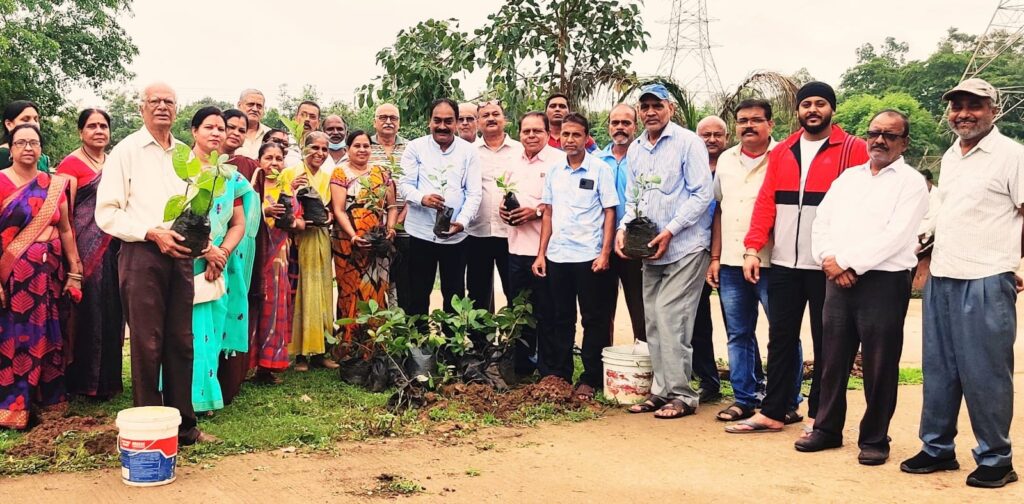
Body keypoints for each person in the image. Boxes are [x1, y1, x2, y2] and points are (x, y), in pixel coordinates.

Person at [901, 78, 1024, 489]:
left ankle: (996, 458)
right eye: (957, 106)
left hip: (988, 276)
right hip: (944, 276)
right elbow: (946, 213)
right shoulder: (953, 155)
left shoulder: (1012, 155)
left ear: (994, 109)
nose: (963, 113)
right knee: (940, 370)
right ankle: (937, 449)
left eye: (974, 105)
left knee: (986, 373)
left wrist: (1017, 265)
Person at [728, 81, 869, 434]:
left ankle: (820, 415)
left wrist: (849, 258)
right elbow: (766, 204)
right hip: (784, 264)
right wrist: (752, 248)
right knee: (781, 339)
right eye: (806, 104)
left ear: (832, 109)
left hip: (828, 266)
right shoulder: (783, 151)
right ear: (797, 111)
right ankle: (773, 411)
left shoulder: (854, 149)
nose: (813, 110)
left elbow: (867, 208)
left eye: (820, 103)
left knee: (829, 343)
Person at [796, 110, 928, 466]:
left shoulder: (911, 182)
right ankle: (826, 429)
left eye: (890, 135)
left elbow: (897, 234)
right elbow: (821, 221)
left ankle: (874, 437)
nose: (880, 140)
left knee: (879, 363)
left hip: (883, 282)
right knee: (832, 359)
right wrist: (828, 259)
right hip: (837, 280)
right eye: (874, 133)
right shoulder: (849, 178)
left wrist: (848, 263)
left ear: (904, 142)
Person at [95, 83, 212, 444]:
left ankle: (185, 427)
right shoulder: (126, 151)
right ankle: (149, 428)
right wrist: (150, 232)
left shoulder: (183, 155)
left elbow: (193, 203)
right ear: (142, 108)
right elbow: (107, 213)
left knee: (181, 340)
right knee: (146, 343)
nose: (162, 107)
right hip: (141, 253)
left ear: (177, 109)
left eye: (169, 102)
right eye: (155, 101)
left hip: (179, 255)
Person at [616, 84, 712, 419]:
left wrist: (671, 231)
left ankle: (682, 395)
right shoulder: (637, 148)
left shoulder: (688, 142)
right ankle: (661, 391)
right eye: (645, 107)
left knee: (673, 319)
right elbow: (633, 198)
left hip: (685, 247)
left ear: (670, 108)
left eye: (657, 105)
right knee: (653, 321)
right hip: (650, 249)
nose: (650, 112)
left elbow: (703, 195)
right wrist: (623, 228)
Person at [0, 124, 82, 430]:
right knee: (17, 337)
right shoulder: (1, 182)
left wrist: (74, 270)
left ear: (41, 148)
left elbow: (66, 229)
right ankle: (16, 407)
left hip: (52, 273)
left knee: (52, 332)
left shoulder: (53, 184)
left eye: (34, 142)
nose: (28, 148)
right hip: (15, 274)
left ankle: (51, 401)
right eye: (20, 143)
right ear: (10, 148)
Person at [706, 99, 783, 422]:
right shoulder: (725, 159)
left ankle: (786, 399)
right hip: (732, 263)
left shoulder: (785, 157)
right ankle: (744, 398)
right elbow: (719, 210)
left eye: (755, 120)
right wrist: (715, 257)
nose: (748, 126)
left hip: (776, 262)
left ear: (771, 124)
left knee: (782, 333)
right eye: (742, 121)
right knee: (738, 333)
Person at [533, 113, 618, 401]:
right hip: (558, 256)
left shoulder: (600, 170)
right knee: (561, 318)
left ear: (586, 138)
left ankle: (590, 378)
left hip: (589, 257)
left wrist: (605, 253)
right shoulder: (555, 171)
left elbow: (610, 211)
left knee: (593, 320)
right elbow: (549, 213)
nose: (570, 140)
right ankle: (561, 374)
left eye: (576, 135)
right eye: (566, 135)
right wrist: (541, 254)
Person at [186, 107, 258, 414]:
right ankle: (182, 395)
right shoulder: (179, 171)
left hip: (221, 265)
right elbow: (174, 218)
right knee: (186, 331)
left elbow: (239, 223)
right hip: (185, 260)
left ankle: (206, 396)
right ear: (194, 131)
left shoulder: (233, 177)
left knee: (212, 331)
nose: (216, 133)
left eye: (220, 128)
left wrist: (223, 252)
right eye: (209, 127)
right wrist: (207, 250)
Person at [56, 108, 124, 399]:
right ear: (80, 132)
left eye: (103, 126)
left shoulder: (114, 163)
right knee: (86, 313)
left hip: (115, 246)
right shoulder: (70, 165)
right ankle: (82, 383)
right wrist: (73, 260)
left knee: (113, 310)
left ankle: (107, 383)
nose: (99, 131)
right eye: (92, 126)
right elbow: (64, 215)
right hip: (83, 248)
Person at [398, 98, 481, 329]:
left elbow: (474, 193)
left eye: (448, 121)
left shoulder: (468, 152)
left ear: (456, 123)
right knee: (418, 292)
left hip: (455, 235)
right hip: (420, 233)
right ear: (429, 122)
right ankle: (418, 346)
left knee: (453, 294)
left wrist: (462, 222)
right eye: (437, 121)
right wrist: (421, 198)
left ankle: (450, 351)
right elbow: (404, 185)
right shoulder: (415, 147)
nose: (442, 126)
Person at [501, 112, 563, 379]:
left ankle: (549, 370)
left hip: (547, 251)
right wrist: (504, 211)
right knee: (520, 311)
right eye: (526, 131)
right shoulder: (511, 162)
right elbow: (503, 196)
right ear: (519, 133)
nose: (531, 136)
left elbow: (565, 202)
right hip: (516, 249)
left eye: (537, 131)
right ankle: (523, 368)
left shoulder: (559, 162)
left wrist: (536, 212)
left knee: (548, 312)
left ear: (548, 132)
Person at [330, 130, 397, 365]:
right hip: (348, 244)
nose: (362, 150)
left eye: (366, 145)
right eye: (356, 145)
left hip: (376, 242)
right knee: (349, 292)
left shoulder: (381, 173)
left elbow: (391, 206)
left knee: (376, 290)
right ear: (348, 149)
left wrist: (390, 228)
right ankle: (348, 346)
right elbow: (338, 209)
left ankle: (373, 346)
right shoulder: (340, 173)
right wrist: (353, 235)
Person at [279, 131, 339, 371]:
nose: (320, 153)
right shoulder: (290, 173)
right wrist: (292, 191)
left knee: (323, 291)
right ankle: (301, 353)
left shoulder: (328, 176)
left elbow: (333, 207)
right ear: (304, 148)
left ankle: (321, 350)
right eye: (315, 147)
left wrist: (331, 215)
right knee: (302, 292)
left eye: (325, 149)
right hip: (298, 240)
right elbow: (280, 207)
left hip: (322, 238)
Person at [216, 108, 263, 404]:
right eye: (228, 127)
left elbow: (251, 210)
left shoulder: (244, 167)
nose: (234, 132)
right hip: (204, 250)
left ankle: (228, 382)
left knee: (234, 306)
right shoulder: (199, 164)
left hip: (238, 248)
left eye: (240, 129)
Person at [251, 141, 303, 384]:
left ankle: (267, 366)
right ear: (259, 160)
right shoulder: (252, 187)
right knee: (252, 308)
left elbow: (301, 223)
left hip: (279, 259)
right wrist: (265, 212)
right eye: (268, 158)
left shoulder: (287, 190)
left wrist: (291, 221)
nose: (273, 163)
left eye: (278, 159)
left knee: (274, 309)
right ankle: (244, 365)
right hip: (254, 257)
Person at [596, 104, 646, 343]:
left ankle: (644, 360)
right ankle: (604, 363)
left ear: (635, 126)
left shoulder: (644, 157)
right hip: (601, 244)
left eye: (626, 123)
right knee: (602, 308)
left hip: (633, 244)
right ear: (608, 127)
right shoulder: (596, 160)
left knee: (639, 305)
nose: (620, 128)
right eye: (615, 123)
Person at [467, 101, 520, 313]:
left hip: (512, 232)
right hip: (477, 232)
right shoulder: (469, 152)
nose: (491, 118)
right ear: (478, 122)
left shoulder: (520, 149)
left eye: (495, 114)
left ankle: (515, 343)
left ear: (504, 119)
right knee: (478, 292)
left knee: (514, 290)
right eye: (485, 115)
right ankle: (482, 344)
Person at [692, 115, 727, 403]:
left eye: (717, 135)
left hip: (732, 253)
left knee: (737, 323)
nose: (711, 140)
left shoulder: (734, 166)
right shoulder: (691, 167)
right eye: (705, 134)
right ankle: (707, 380)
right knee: (698, 320)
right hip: (696, 250)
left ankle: (753, 382)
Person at [369, 104, 410, 310]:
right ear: (374, 121)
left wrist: (398, 221)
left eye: (393, 117)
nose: (388, 121)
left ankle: (401, 330)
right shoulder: (364, 146)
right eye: (383, 117)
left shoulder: (411, 148)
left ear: (399, 122)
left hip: (406, 226)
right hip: (371, 228)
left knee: (404, 281)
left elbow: (418, 185)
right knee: (374, 281)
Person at [1, 101, 51, 172]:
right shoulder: (2, 154)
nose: (34, 124)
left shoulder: (42, 158)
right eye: (25, 120)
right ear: (9, 124)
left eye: (36, 119)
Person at [236, 89, 272, 159]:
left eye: (259, 106)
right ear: (239, 105)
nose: (255, 109)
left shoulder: (270, 135)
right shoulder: (227, 132)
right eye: (250, 104)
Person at [284, 100, 322, 167]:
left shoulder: (322, 149)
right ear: (295, 118)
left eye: (312, 117)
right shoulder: (284, 143)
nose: (307, 119)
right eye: (303, 115)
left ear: (318, 123)